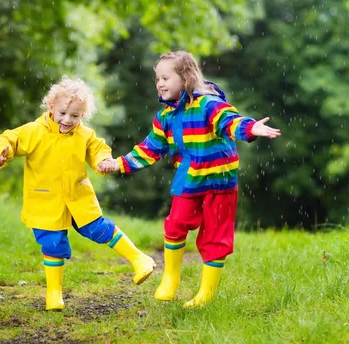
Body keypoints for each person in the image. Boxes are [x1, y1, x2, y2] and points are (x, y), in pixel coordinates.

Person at [98, 51, 280, 308]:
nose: (159, 83)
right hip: (190, 177)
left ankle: (206, 294)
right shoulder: (165, 117)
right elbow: (149, 149)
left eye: (165, 77)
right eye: (157, 78)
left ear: (185, 78)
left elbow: (228, 120)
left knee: (215, 236)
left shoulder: (208, 104)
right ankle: (171, 277)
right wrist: (118, 163)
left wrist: (250, 128)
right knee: (175, 224)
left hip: (220, 180)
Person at [0, 76, 156, 311]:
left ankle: (139, 259)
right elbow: (7, 138)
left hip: (78, 197)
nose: (67, 120)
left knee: (98, 228)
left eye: (75, 116)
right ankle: (54, 293)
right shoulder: (33, 131)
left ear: (83, 115)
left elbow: (98, 149)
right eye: (62, 113)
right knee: (52, 242)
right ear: (51, 107)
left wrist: (103, 162)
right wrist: (3, 151)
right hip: (45, 199)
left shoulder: (85, 135)